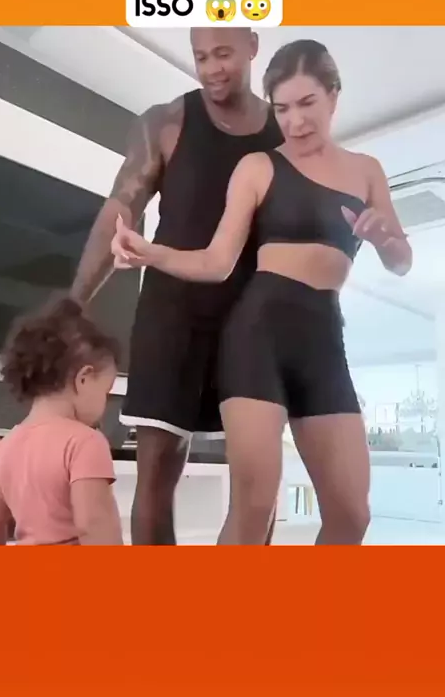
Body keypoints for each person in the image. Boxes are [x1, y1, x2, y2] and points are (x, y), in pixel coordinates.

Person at [112, 39, 413, 545]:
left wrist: (386, 238)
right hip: (258, 337)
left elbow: (401, 261)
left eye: (307, 103)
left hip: (323, 342)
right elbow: (216, 262)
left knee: (352, 513)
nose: (295, 121)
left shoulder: (367, 171)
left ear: (334, 95)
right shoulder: (258, 166)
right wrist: (151, 253)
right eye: (283, 108)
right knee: (254, 504)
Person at [71, 27, 282, 545]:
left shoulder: (287, 131)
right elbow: (121, 209)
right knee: (156, 470)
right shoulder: (165, 122)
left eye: (223, 54)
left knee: (258, 484)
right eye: (200, 56)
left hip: (255, 321)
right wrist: (75, 301)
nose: (211, 68)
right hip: (172, 315)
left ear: (252, 46)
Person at [0, 299, 123, 546]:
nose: (104, 403)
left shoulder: (5, 447)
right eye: (105, 392)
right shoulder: (85, 442)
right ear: (84, 379)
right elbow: (94, 523)